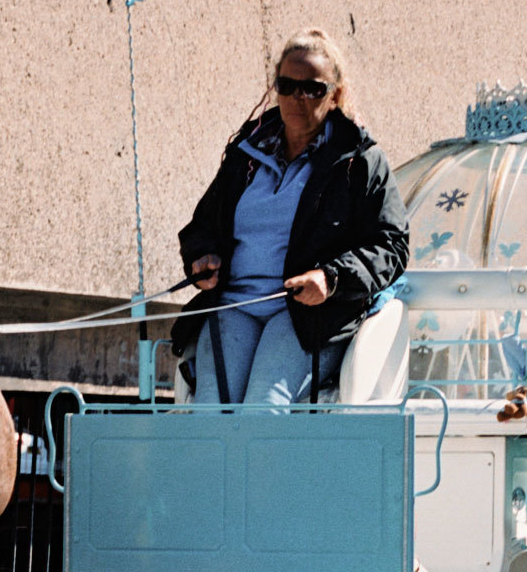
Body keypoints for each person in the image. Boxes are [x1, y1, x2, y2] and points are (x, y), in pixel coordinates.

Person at [174, 29, 410, 404]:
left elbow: (392, 245)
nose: (298, 98)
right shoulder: (244, 154)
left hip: (306, 317)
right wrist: (203, 255)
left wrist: (331, 277)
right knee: (210, 414)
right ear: (275, 89)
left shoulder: (360, 159)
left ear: (336, 94)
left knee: (262, 410)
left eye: (313, 88)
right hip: (236, 305)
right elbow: (203, 226)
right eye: (287, 86)